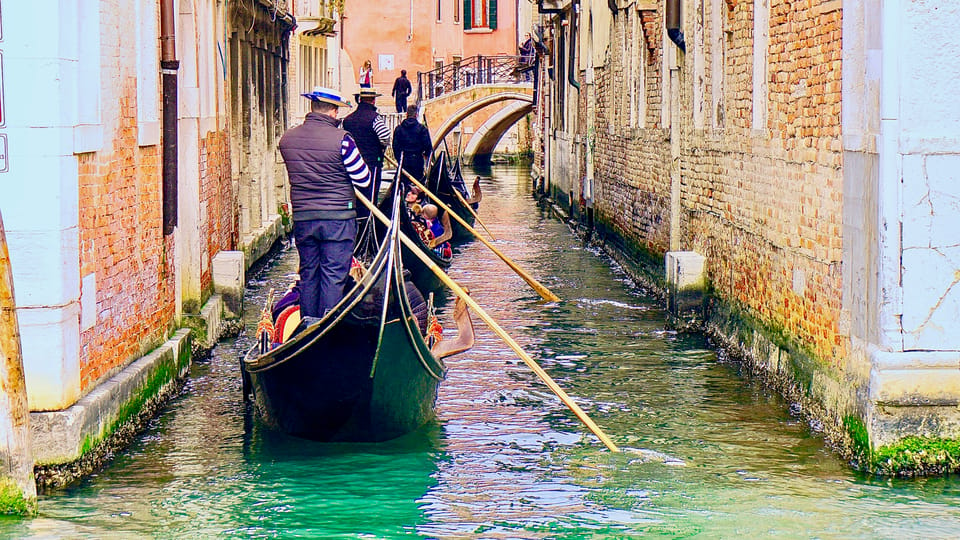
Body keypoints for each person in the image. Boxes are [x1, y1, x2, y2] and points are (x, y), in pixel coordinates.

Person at [277, 86, 372, 318]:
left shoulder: (287, 139)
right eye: (337, 111)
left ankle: (308, 323)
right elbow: (363, 179)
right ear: (332, 112)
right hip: (337, 219)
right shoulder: (343, 140)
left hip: (304, 217)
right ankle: (328, 324)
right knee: (333, 273)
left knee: (309, 273)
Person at [342, 88, 390, 212]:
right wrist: (381, 147)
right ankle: (369, 218)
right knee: (370, 194)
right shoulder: (375, 118)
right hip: (372, 162)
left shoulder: (347, 120)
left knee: (354, 193)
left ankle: (355, 217)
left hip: (351, 163)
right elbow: (385, 137)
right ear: (373, 101)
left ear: (360, 99)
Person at [392, 104, 433, 185]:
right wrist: (425, 155)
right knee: (417, 185)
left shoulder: (398, 129)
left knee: (403, 183)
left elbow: (395, 147)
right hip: (417, 161)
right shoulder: (422, 129)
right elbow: (428, 147)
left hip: (403, 161)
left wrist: (399, 159)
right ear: (416, 115)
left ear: (407, 114)